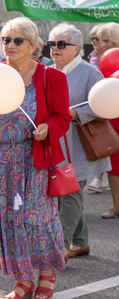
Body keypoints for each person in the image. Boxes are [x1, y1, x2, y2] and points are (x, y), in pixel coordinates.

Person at [0, 17, 70, 299]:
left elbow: (63, 117)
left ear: (33, 46)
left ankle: (46, 272)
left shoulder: (51, 77)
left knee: (36, 218)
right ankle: (22, 278)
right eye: (5, 40)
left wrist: (48, 127)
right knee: (8, 219)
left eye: (17, 40)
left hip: (32, 159)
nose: (10, 45)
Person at [47, 24, 109, 258]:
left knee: (69, 192)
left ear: (76, 49)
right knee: (70, 191)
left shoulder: (89, 72)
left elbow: (103, 104)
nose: (55, 49)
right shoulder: (47, 70)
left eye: (62, 44)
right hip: (55, 143)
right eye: (52, 44)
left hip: (79, 144)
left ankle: (61, 246)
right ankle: (81, 242)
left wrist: (73, 113)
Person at [86, 22, 119, 204]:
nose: (103, 44)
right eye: (100, 40)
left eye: (108, 40)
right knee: (114, 166)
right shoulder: (97, 61)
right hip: (110, 117)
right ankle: (116, 206)